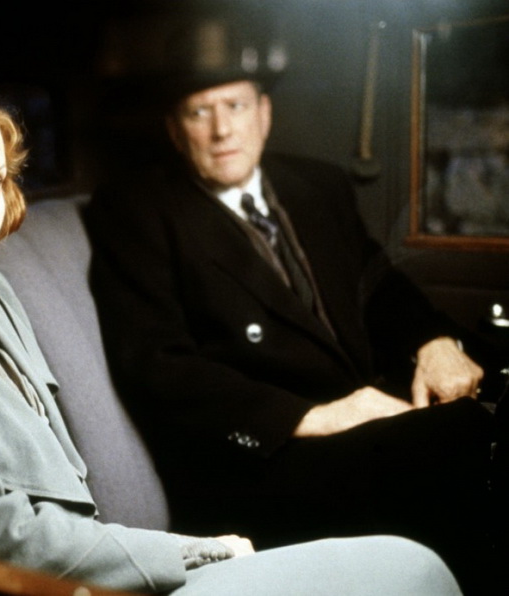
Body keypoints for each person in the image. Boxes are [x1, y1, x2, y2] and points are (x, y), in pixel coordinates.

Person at [0, 70, 462, 595]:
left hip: (101, 564)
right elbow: (1, 538)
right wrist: (203, 552)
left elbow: (63, 480)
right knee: (413, 569)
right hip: (59, 581)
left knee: (414, 565)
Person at [83, 25, 504, 596]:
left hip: (364, 426)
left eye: (235, 106)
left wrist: (434, 343)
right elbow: (159, 367)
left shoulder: (315, 184)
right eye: (199, 112)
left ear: (264, 113)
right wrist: (314, 416)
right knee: (460, 437)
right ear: (175, 131)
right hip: (261, 464)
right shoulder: (136, 212)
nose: (222, 129)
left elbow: (381, 288)